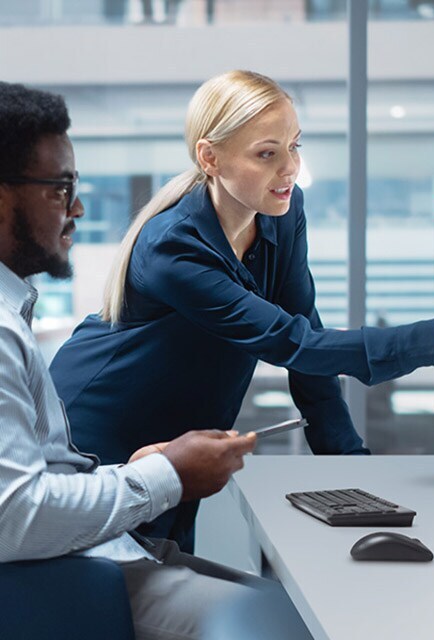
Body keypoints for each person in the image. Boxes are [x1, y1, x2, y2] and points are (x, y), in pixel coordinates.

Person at [49, 70, 434, 552]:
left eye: (295, 146)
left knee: (162, 586)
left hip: (175, 446)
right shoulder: (174, 246)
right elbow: (292, 343)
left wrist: (354, 475)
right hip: (98, 434)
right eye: (267, 153)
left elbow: (307, 354)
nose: (290, 168)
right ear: (210, 157)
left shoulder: (282, 215)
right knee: (123, 600)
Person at [0, 82, 313, 640]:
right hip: (52, 579)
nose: (78, 207)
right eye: (59, 188)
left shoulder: (13, 310)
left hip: (86, 552)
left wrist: (135, 473)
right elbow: (15, 517)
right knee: (292, 625)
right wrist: (164, 474)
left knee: (297, 607)